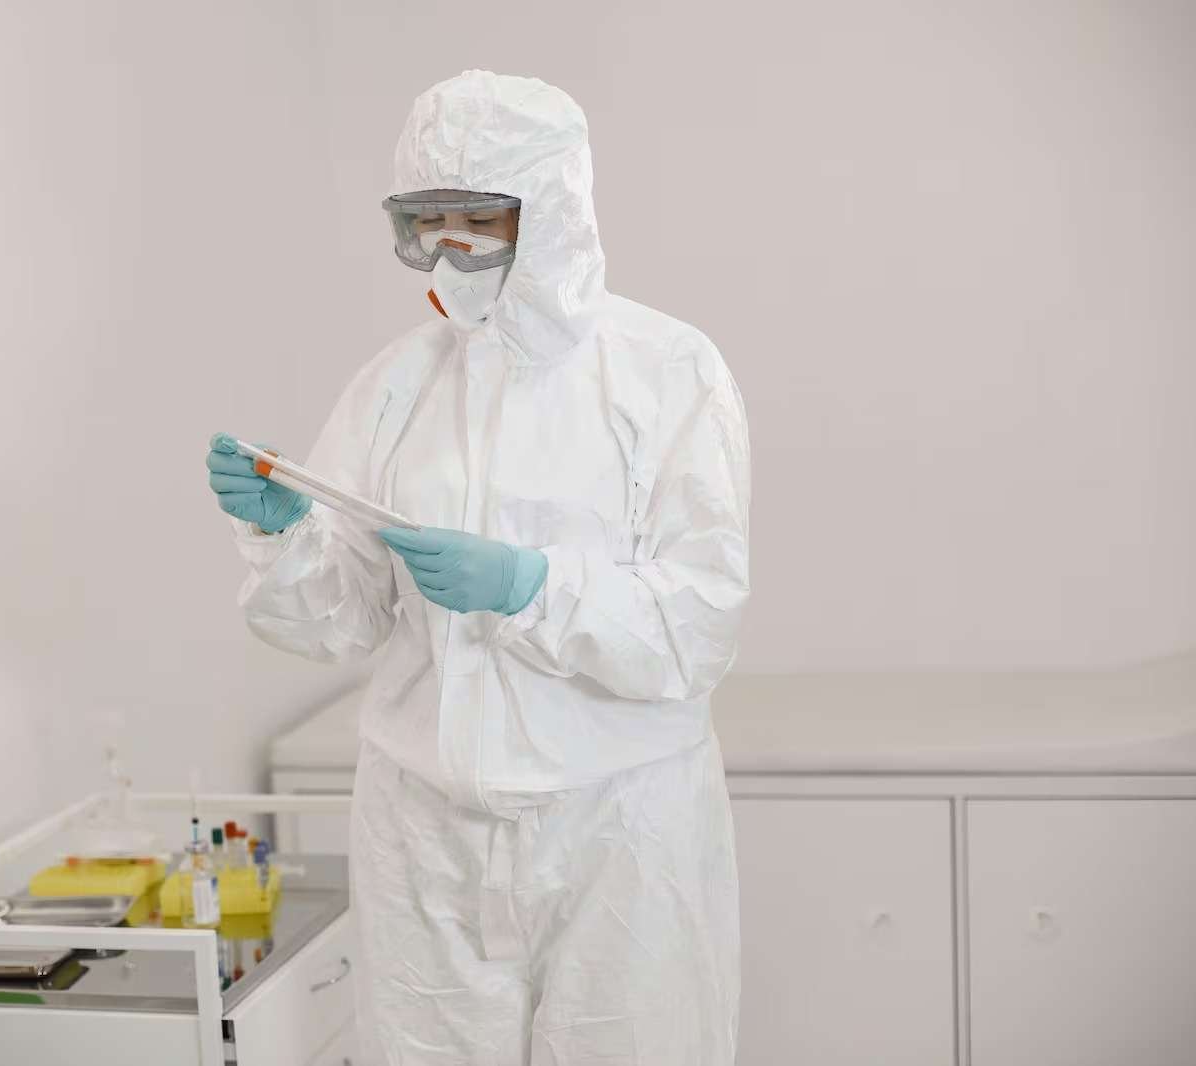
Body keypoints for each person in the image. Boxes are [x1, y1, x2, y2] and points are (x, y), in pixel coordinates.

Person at [208, 69, 750, 1066]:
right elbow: (345, 619)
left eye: (479, 217)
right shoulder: (398, 383)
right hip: (424, 829)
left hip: (618, 828)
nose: (450, 245)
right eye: (429, 218)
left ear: (550, 210)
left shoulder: (667, 371)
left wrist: (530, 587)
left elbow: (697, 627)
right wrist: (287, 537)